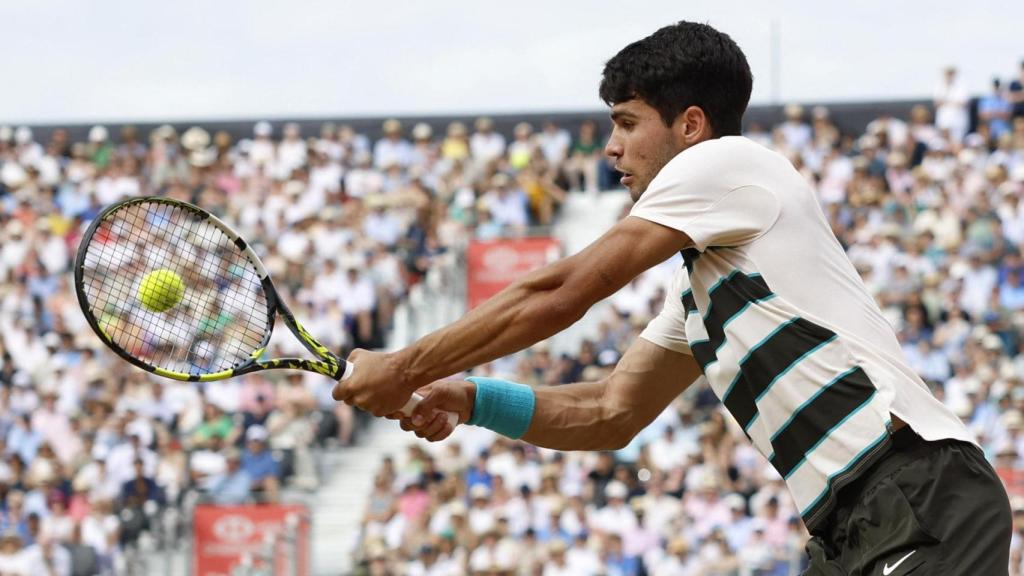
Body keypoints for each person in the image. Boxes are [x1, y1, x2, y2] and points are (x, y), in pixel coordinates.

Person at [334, 21, 1012, 574]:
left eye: (627, 123)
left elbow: (567, 290)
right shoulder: (706, 288)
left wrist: (408, 365)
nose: (610, 147)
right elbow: (610, 411)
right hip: (855, 525)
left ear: (690, 126)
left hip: (919, 492)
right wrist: (471, 398)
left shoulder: (728, 164)